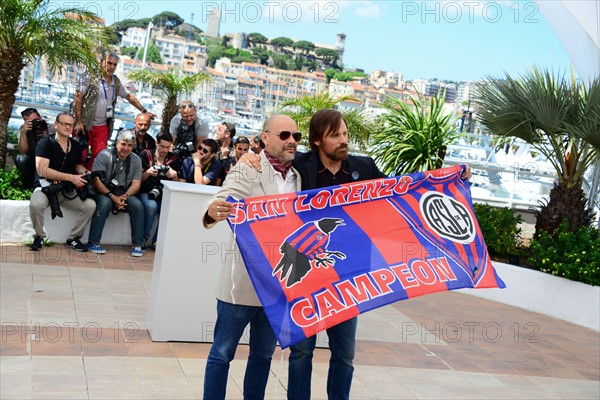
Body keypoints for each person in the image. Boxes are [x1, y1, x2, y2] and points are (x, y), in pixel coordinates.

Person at [240, 108, 473, 399]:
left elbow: (402, 191)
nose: (343, 140)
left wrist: (451, 177)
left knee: (345, 354)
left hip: (349, 277)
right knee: (301, 352)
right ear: (316, 140)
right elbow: (273, 158)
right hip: (307, 276)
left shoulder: (365, 167)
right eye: (335, 135)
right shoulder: (300, 165)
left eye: (345, 134)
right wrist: (251, 156)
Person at [200, 114, 302, 400]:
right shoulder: (249, 168)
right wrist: (212, 209)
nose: (291, 141)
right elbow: (224, 195)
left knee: (262, 358)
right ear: (265, 138)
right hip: (241, 284)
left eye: (296, 136)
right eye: (284, 135)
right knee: (221, 354)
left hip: (278, 288)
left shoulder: (299, 176)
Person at [73, 50, 153, 169]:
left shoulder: (115, 81)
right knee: (79, 155)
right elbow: (78, 98)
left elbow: (129, 96)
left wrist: (144, 111)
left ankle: (91, 181)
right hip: (85, 125)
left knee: (99, 156)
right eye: (109, 63)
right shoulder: (89, 76)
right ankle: (75, 182)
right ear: (101, 62)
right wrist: (78, 121)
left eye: (114, 64)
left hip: (102, 126)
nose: (111, 67)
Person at [28, 112, 95, 252]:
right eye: (64, 123)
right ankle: (39, 236)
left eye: (70, 124)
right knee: (36, 204)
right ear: (56, 125)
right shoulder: (45, 142)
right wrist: (71, 178)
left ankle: (74, 238)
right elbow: (42, 171)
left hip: (65, 189)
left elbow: (77, 165)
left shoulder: (75, 146)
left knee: (90, 205)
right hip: (46, 187)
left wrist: (84, 172)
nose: (67, 127)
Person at [87, 129, 145, 257]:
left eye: (130, 145)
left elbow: (136, 184)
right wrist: (113, 197)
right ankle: (93, 242)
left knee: (137, 205)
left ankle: (137, 244)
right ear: (116, 143)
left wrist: (125, 196)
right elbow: (96, 181)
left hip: (124, 193)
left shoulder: (136, 160)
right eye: (123, 144)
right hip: (103, 192)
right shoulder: (104, 155)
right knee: (105, 203)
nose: (126, 148)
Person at [137, 131, 182, 250]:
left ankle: (158, 240)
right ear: (156, 143)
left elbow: (177, 185)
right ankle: (144, 239)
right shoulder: (145, 155)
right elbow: (138, 179)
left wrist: (174, 175)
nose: (165, 150)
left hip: (163, 194)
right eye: (162, 146)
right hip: (146, 192)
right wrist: (147, 173)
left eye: (168, 147)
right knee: (151, 207)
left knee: (168, 208)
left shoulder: (174, 159)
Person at [16, 108, 51, 188]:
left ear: (40, 118)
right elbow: (23, 151)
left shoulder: (49, 126)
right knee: (21, 158)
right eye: (30, 122)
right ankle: (29, 186)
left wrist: (46, 135)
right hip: (32, 159)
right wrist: (24, 133)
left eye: (36, 120)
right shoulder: (23, 129)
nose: (35, 124)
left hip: (48, 159)